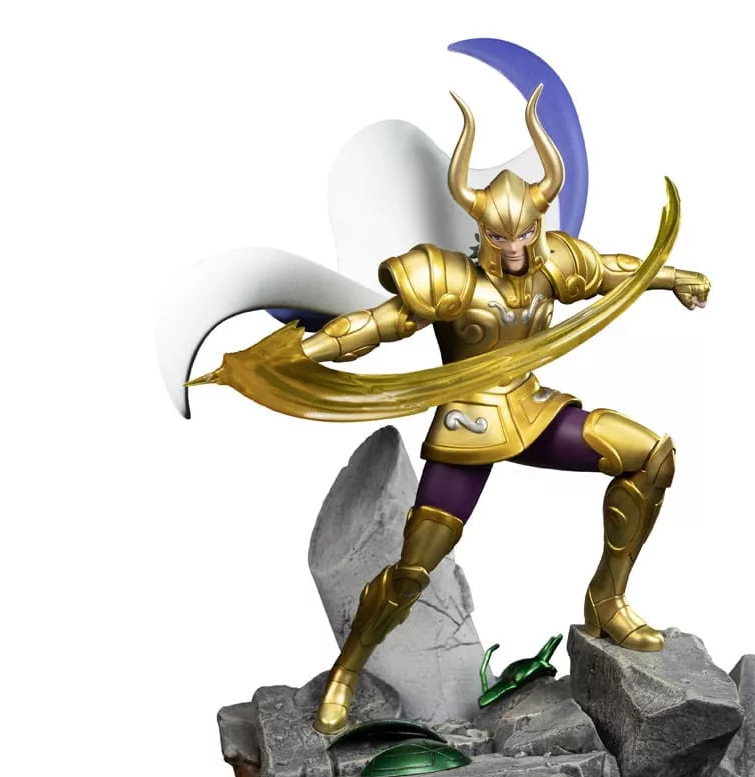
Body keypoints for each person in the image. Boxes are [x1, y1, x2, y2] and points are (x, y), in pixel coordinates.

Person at [189, 86, 710, 734]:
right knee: (413, 571)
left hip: (536, 413)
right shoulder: (451, 280)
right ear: (480, 232)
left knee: (650, 456)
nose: (515, 250)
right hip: (468, 428)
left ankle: (607, 600)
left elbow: (611, 270)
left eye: (525, 235)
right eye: (500, 237)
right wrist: (310, 351)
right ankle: (349, 668)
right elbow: (381, 323)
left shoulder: (552, 263)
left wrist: (675, 277)